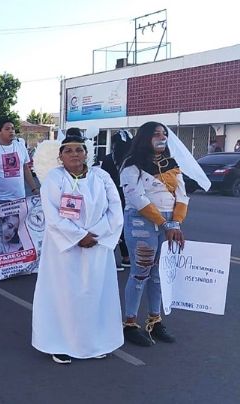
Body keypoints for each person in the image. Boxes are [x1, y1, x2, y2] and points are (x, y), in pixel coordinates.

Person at [32, 132, 124, 364]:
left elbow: (115, 209)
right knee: (65, 296)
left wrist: (97, 234)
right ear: (60, 156)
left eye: (79, 149)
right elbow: (52, 215)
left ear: (87, 153)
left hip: (97, 246)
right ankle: (59, 343)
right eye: (68, 150)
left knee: (95, 295)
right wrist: (78, 236)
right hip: (64, 251)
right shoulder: (54, 179)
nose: (74, 154)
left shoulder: (101, 177)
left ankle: (95, 342)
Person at [120, 121, 189, 347]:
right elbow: (137, 198)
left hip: (169, 222)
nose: (161, 137)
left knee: (159, 272)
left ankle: (154, 320)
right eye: (156, 134)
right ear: (145, 137)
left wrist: (175, 223)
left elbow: (182, 196)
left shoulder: (172, 164)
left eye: (164, 134)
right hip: (142, 221)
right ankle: (130, 323)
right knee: (141, 271)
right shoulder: (132, 164)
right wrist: (164, 223)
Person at [0, 118, 38, 203]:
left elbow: (25, 169)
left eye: (13, 128)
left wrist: (34, 189)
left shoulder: (21, 147)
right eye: (7, 129)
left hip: (19, 199)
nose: (11, 131)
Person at [100, 130, 133, 269]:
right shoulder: (133, 159)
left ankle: (111, 258)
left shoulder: (108, 159)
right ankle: (126, 257)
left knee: (113, 225)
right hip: (129, 196)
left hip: (111, 196)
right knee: (126, 226)